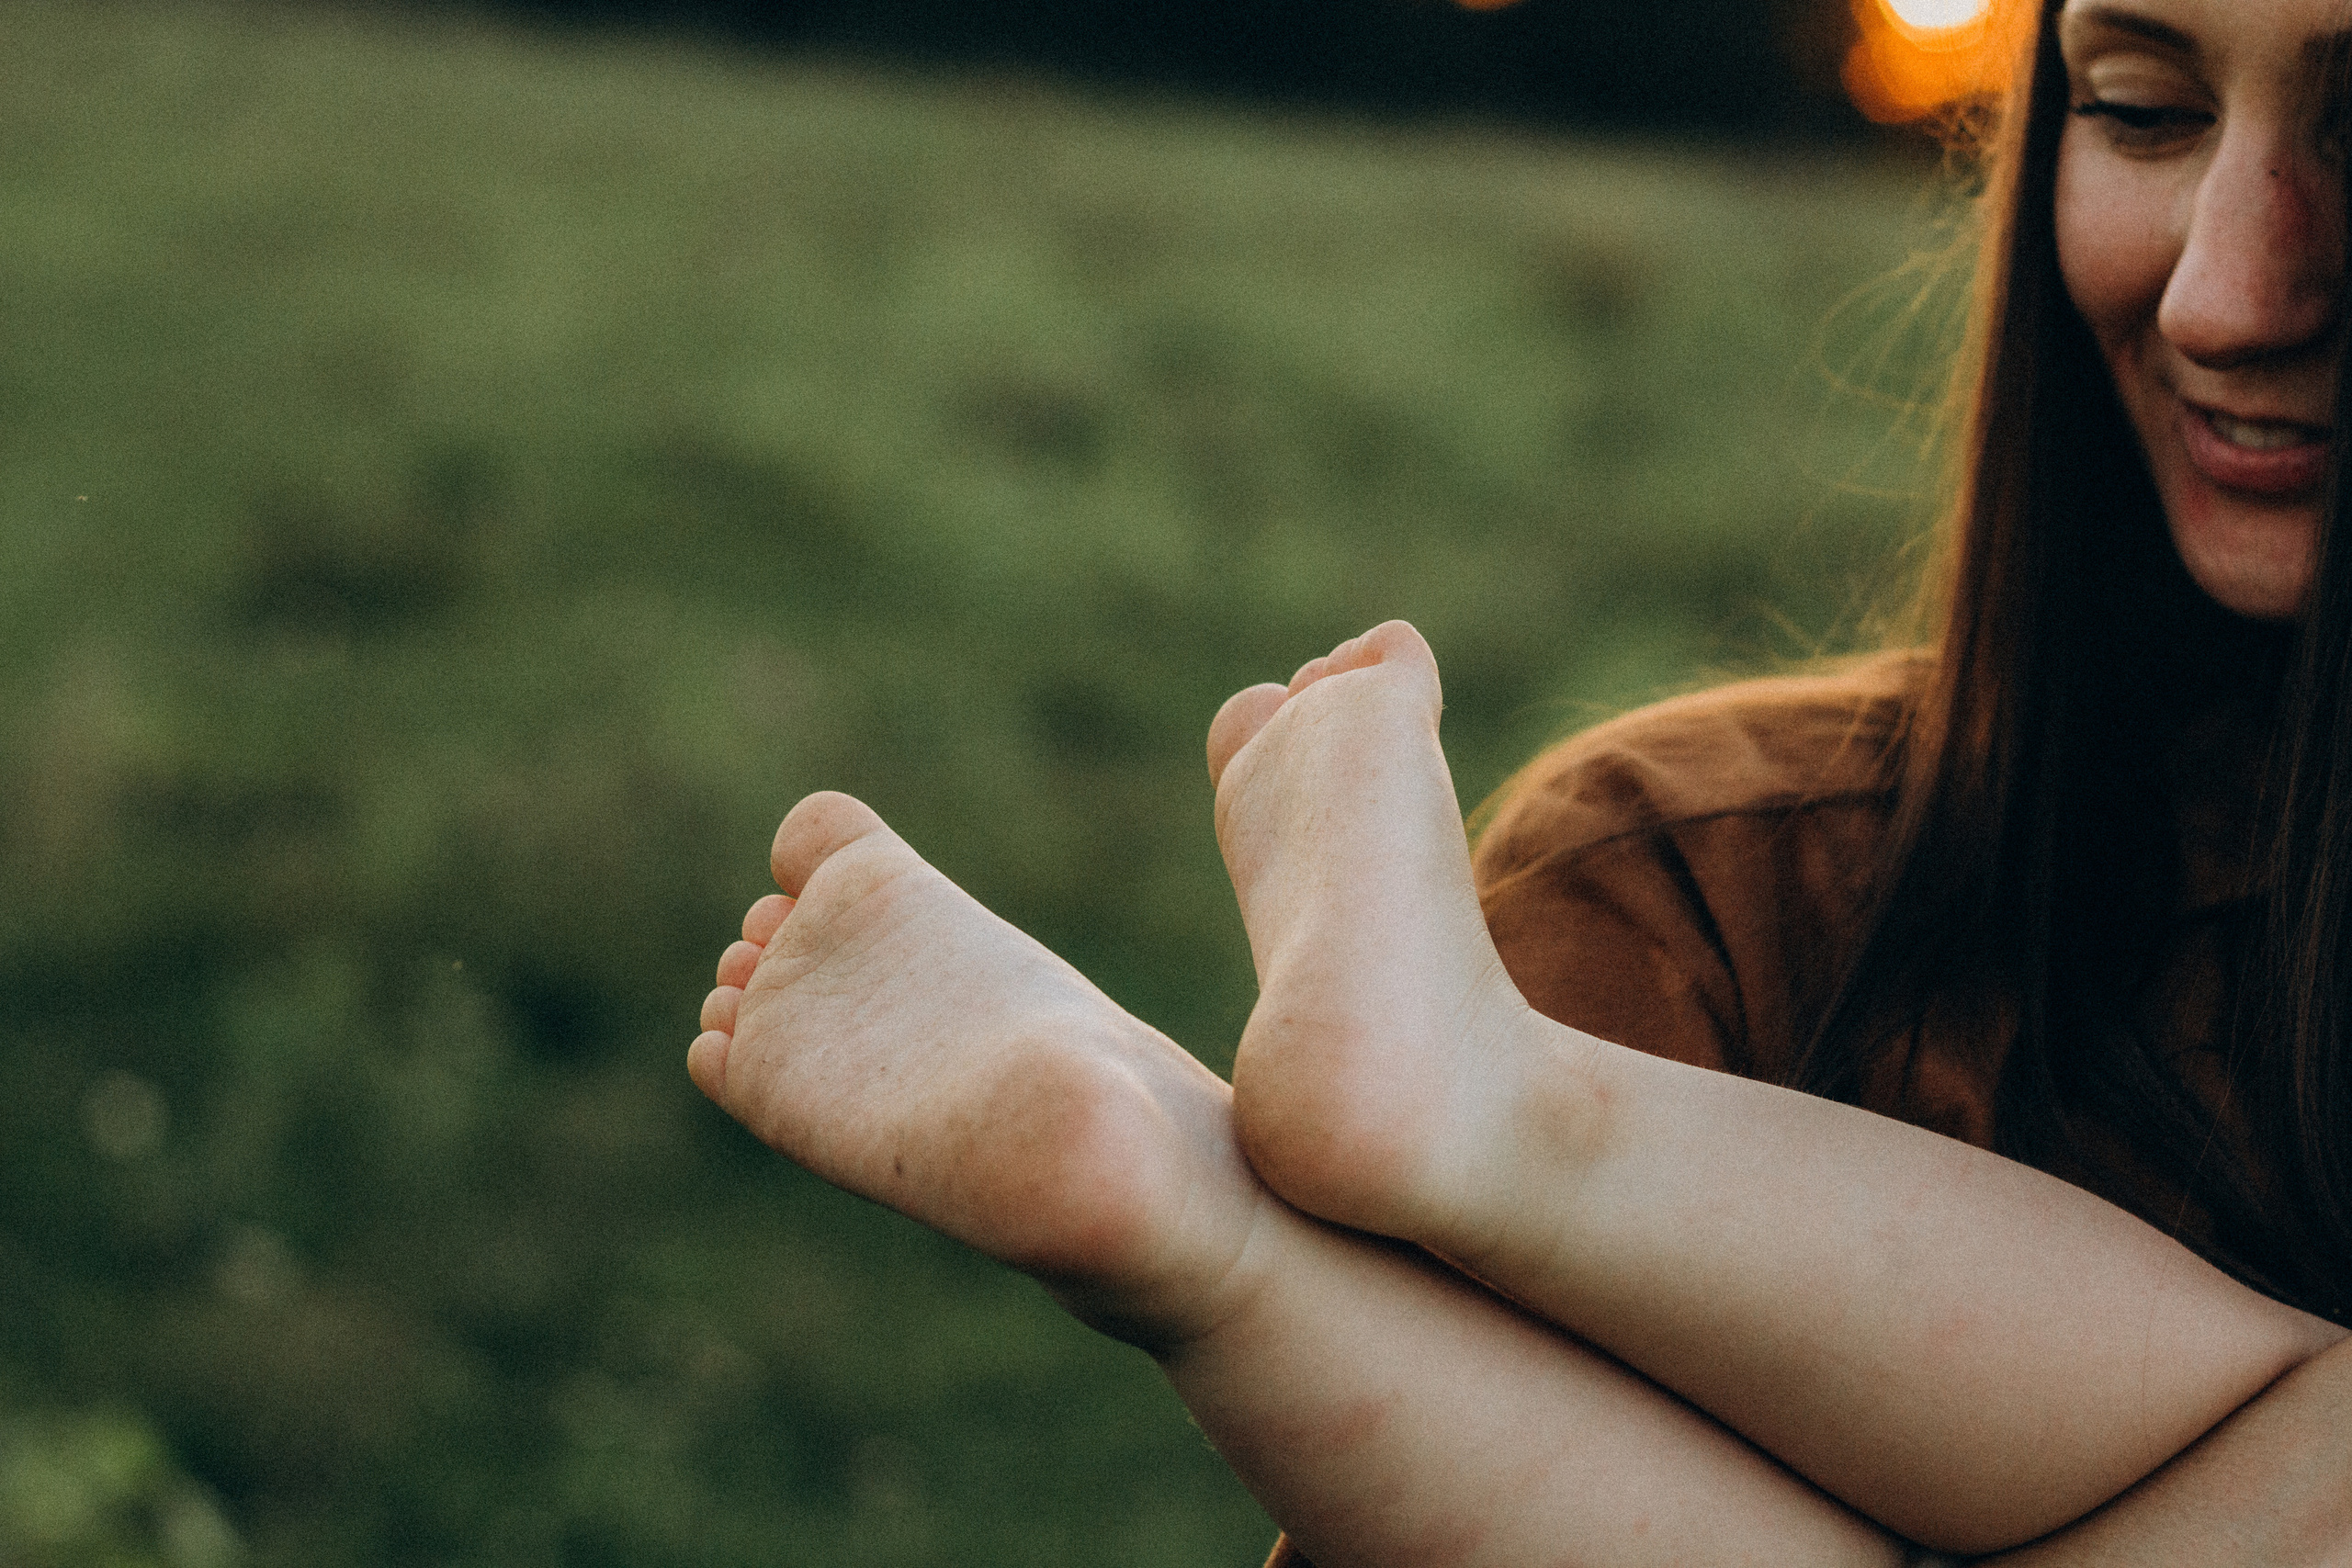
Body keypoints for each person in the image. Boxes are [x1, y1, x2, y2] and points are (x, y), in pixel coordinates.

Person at [688, 0, 2352, 1560]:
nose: (2218, 299)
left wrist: (1243, 1274)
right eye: (2138, 108)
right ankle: (1480, 1117)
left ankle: (1319, 1205)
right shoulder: (1708, 895)